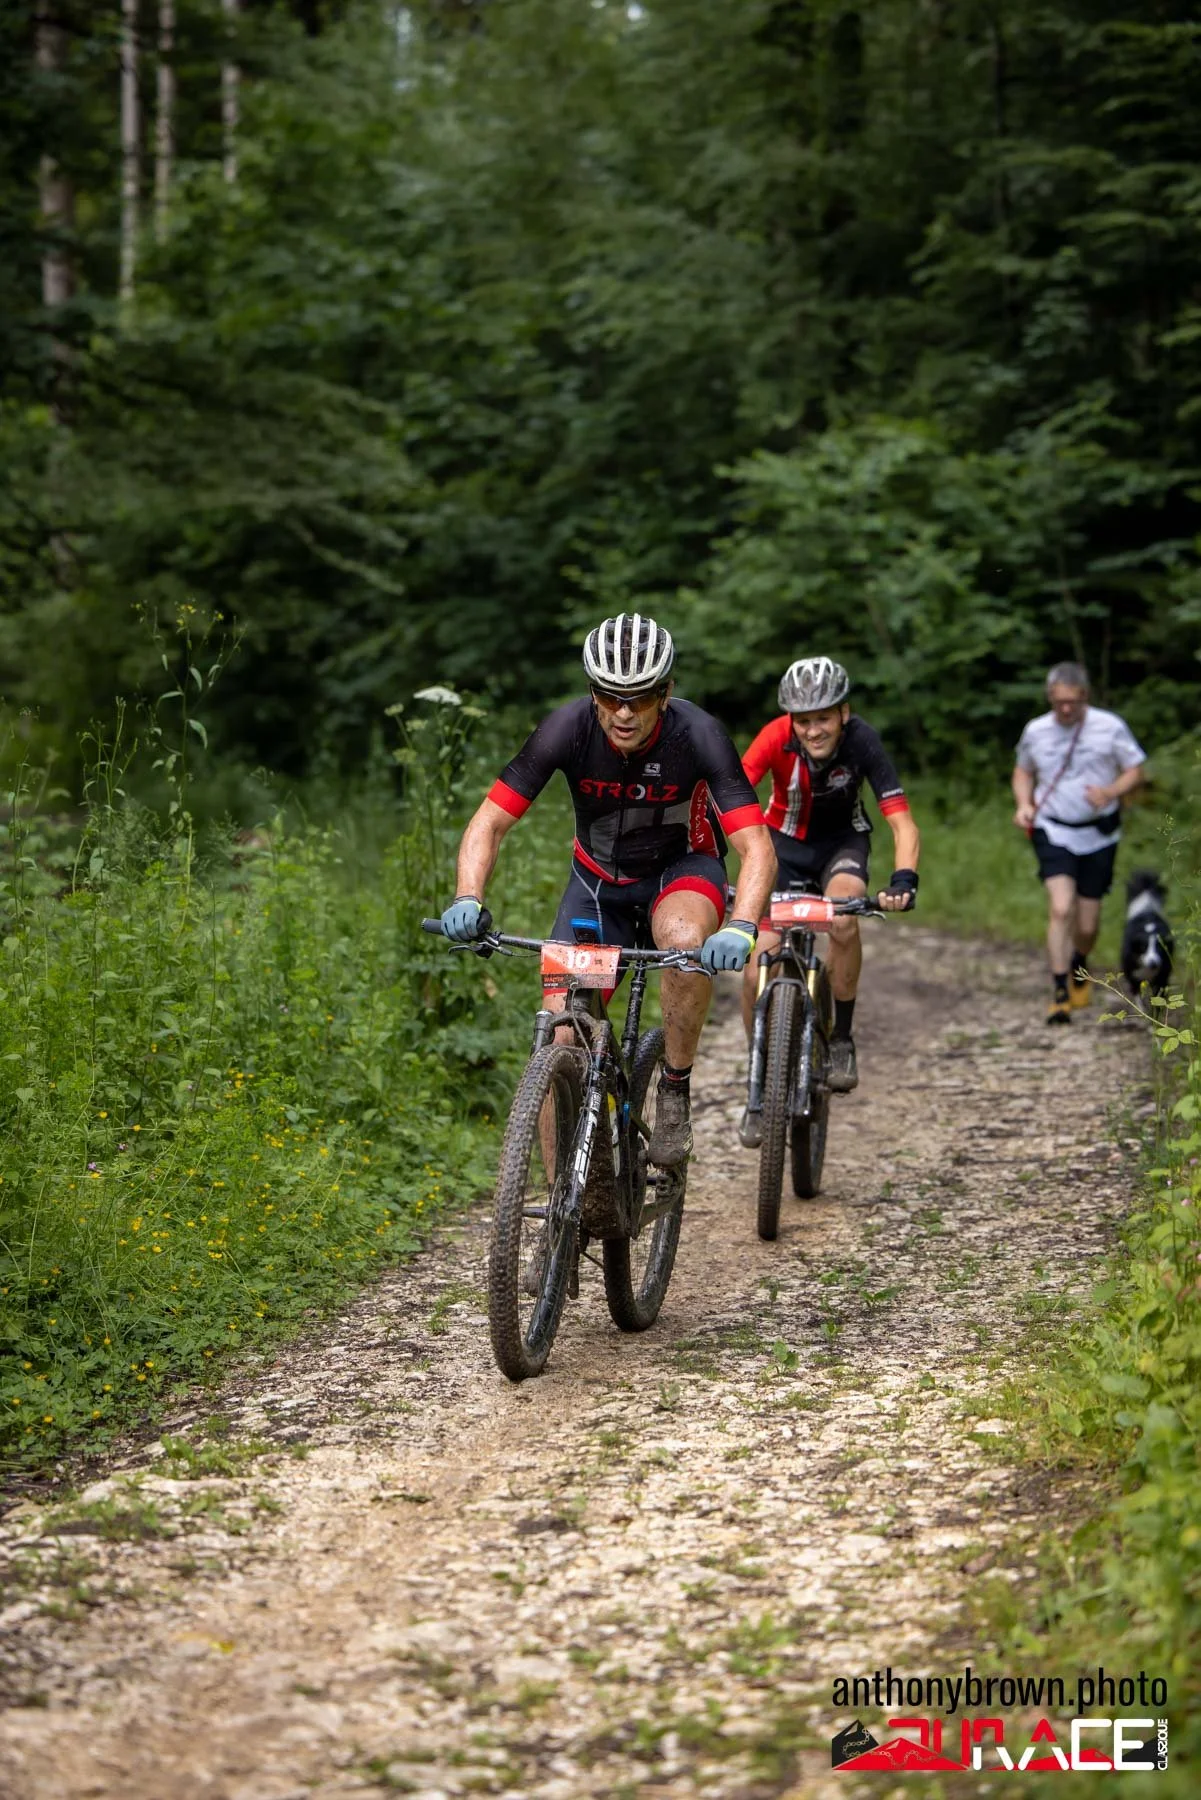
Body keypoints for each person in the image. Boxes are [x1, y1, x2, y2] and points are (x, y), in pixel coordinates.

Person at [439, 613, 776, 1166]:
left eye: (639, 698)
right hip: (597, 884)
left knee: (683, 942)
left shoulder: (698, 734)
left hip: (681, 873)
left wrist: (742, 925)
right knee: (560, 1038)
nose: (623, 712)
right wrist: (467, 895)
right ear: (592, 692)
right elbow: (490, 822)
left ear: (665, 693)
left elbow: (756, 846)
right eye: (609, 695)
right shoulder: (566, 728)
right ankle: (561, 1202)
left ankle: (674, 1089)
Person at [737, 657, 920, 1142]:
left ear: (843, 713)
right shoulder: (774, 737)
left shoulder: (862, 741)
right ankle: (760, 1075)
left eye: (823, 717)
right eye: (803, 720)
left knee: (843, 916)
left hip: (842, 845)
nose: (813, 729)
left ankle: (841, 1038)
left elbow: (901, 821)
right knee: (754, 967)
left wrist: (903, 879)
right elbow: (730, 797)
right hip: (781, 847)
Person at [1012, 661, 1146, 1025]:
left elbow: (1135, 769)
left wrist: (1111, 791)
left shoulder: (1110, 726)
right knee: (1061, 908)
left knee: (1087, 925)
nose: (1066, 709)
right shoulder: (1036, 730)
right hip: (1052, 828)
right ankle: (1059, 994)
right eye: (1059, 703)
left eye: (1073, 702)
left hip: (1099, 833)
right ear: (1050, 698)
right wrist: (1024, 804)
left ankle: (1079, 963)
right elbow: (1023, 771)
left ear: (1085, 696)